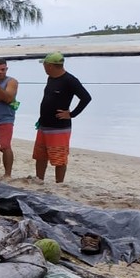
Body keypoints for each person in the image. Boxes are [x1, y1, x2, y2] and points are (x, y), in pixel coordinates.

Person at [34, 52, 91, 183]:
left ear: (50, 66)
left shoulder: (70, 80)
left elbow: (86, 98)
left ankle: (59, 183)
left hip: (59, 127)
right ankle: (39, 180)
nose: (43, 67)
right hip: (44, 124)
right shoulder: (50, 78)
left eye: (44, 64)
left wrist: (71, 114)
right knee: (40, 156)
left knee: (59, 157)